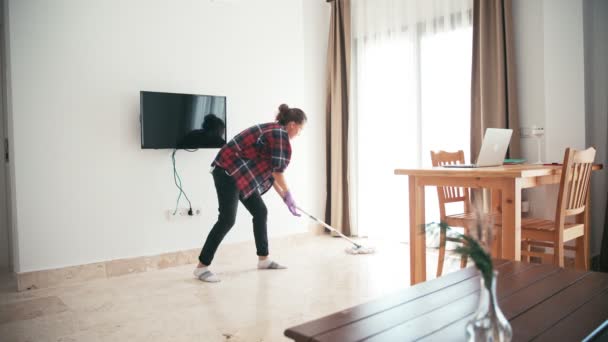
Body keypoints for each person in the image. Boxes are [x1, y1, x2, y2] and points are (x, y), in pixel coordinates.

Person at [193, 104, 307, 282]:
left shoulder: (275, 131)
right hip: (227, 172)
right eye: (300, 130)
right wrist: (289, 194)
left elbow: (271, 172)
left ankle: (263, 259)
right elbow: (278, 172)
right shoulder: (278, 134)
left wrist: (284, 197)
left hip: (240, 176)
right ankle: (201, 267)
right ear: (292, 124)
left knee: (260, 211)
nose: (298, 134)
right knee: (227, 220)